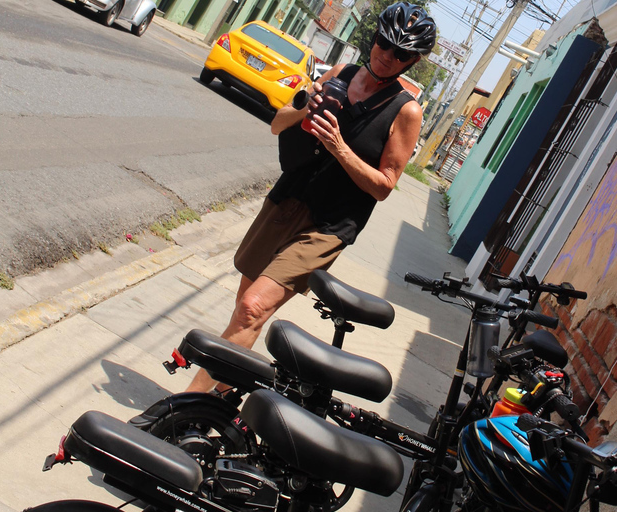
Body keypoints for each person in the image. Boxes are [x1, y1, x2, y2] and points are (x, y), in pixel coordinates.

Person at [186, 2, 438, 393]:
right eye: (385, 44)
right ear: (374, 39)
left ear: (413, 61)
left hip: (329, 225)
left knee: (253, 306)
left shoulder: (405, 111)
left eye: (401, 54)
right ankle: (217, 403)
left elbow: (385, 185)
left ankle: (187, 403)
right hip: (288, 199)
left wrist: (338, 146)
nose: (388, 57)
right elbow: (278, 123)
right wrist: (305, 102)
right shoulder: (340, 74)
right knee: (246, 312)